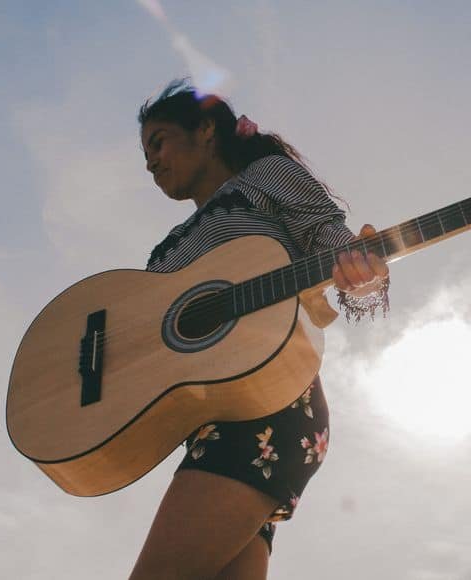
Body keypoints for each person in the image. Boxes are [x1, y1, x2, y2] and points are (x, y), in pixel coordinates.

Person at [129, 79, 390, 580]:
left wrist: (362, 271)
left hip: (269, 410)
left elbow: (327, 236)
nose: (150, 162)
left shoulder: (266, 177)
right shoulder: (164, 255)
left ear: (205, 130)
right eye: (145, 153)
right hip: (210, 426)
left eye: (158, 141)